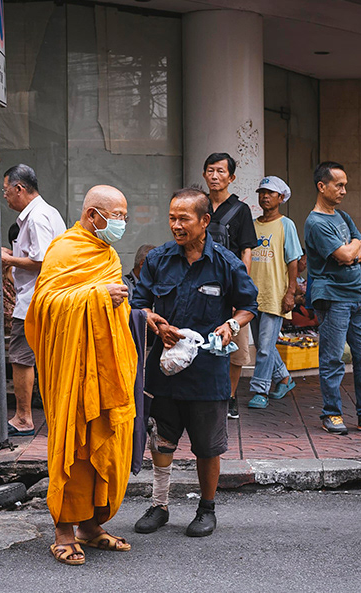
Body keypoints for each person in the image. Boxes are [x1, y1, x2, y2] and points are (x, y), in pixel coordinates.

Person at [132, 188, 257, 538]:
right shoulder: (157, 260)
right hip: (165, 369)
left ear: (205, 221)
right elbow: (139, 303)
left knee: (206, 446)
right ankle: (159, 504)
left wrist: (232, 324)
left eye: (184, 218)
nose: (176, 225)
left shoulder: (227, 264)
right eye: (172, 217)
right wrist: (154, 321)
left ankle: (206, 509)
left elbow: (249, 306)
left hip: (207, 372)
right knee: (161, 440)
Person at [25, 185, 136, 566]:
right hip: (72, 368)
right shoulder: (65, 249)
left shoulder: (108, 253)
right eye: (116, 216)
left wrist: (111, 299)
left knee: (100, 444)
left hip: (103, 369)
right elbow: (45, 306)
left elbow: (115, 310)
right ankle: (63, 532)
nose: (121, 223)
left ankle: (90, 527)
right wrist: (97, 296)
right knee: (73, 443)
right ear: (93, 215)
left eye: (123, 216)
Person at [303, 162, 361, 435]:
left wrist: (352, 250)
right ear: (322, 186)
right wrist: (353, 250)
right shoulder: (315, 222)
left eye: (345, 184)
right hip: (333, 298)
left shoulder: (342, 217)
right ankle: (331, 413)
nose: (344, 190)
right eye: (338, 185)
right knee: (332, 358)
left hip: (358, 297)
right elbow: (344, 254)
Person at [0, 164, 66, 437]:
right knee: (47, 360)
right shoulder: (49, 213)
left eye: (7, 191)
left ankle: (23, 418)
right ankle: (55, 416)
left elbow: (43, 260)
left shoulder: (37, 217)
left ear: (20, 189)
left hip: (35, 300)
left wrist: (9, 259)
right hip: (46, 298)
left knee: (22, 358)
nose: (5, 196)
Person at [202, 152, 259, 419]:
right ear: (204, 174)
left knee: (236, 347)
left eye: (221, 171)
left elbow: (246, 251)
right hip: (202, 283)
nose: (215, 176)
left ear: (231, 177)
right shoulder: (198, 206)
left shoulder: (241, 210)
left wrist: (241, 287)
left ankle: (231, 396)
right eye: (210, 170)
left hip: (230, 285)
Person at [246, 176, 302, 409]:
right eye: (261, 192)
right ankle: (285, 378)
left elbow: (293, 261)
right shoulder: (252, 224)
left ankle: (260, 390)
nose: (264, 196)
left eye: (270, 193)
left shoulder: (286, 224)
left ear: (281, 198)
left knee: (266, 346)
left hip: (274, 294)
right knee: (262, 345)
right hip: (252, 294)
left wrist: (290, 292)